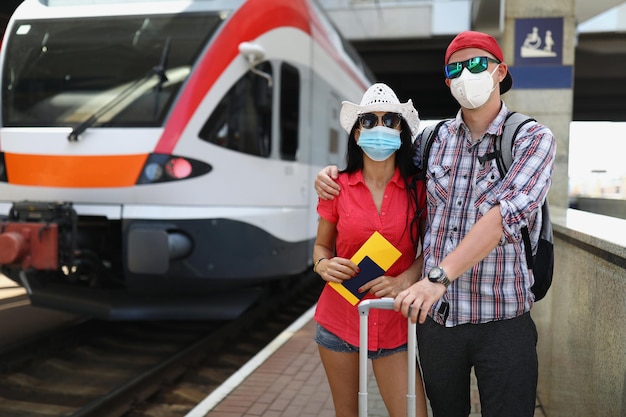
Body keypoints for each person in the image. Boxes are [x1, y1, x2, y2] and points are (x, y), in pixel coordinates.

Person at [315, 31, 557, 417]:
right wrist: (331, 175)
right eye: (455, 68)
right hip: (438, 323)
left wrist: (435, 278)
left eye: (477, 63)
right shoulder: (431, 141)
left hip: (503, 320)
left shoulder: (531, 138)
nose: (466, 74)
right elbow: (381, 170)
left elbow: (503, 216)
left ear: (500, 72)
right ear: (447, 81)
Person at [312, 82, 428, 417]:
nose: (380, 128)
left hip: (395, 324)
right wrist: (323, 265)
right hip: (339, 322)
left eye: (390, 120)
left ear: (402, 131)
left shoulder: (419, 189)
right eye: (369, 120)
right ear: (356, 132)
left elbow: (433, 249)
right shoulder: (336, 187)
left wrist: (406, 278)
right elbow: (321, 246)